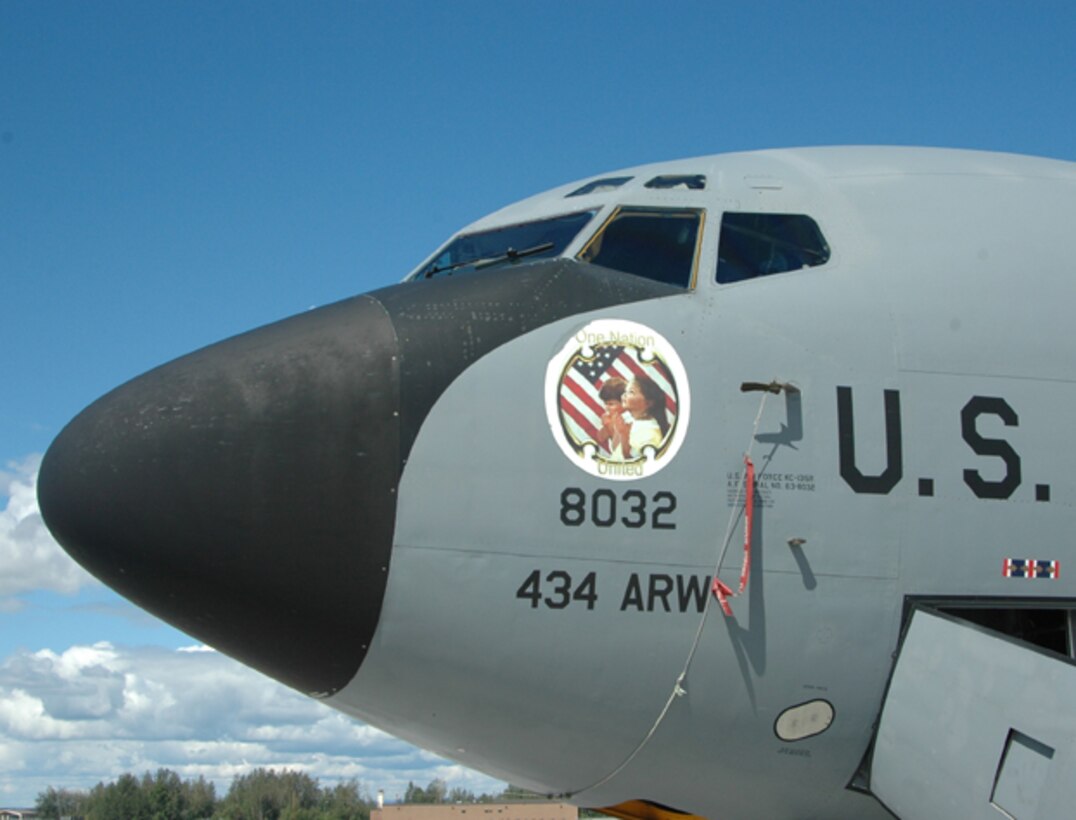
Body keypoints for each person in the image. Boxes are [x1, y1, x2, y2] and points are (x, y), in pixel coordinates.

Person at [617, 373, 670, 459]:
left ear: (648, 402)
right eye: (625, 391)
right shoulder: (629, 421)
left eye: (631, 392)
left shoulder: (651, 434)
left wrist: (624, 436)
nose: (624, 395)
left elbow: (638, 466)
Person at [594, 378, 630, 454]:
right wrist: (607, 426)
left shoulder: (630, 418)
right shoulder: (612, 417)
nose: (606, 407)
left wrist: (611, 427)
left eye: (611, 404)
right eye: (605, 403)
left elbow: (620, 448)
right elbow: (601, 438)